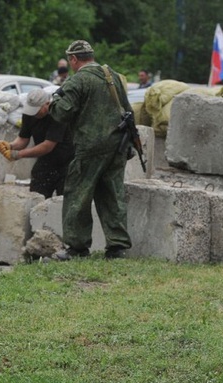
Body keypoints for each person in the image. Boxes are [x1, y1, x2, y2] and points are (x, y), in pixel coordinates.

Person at [48, 40, 132, 261]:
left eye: (70, 59)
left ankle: (76, 247)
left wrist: (54, 100)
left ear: (74, 59)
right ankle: (117, 247)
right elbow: (127, 109)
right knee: (112, 195)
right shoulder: (111, 75)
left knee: (78, 195)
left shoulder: (78, 81)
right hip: (117, 146)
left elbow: (61, 114)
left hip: (90, 147)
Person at [0, 88, 74, 199]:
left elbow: (47, 146)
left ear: (47, 104)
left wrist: (18, 154)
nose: (34, 113)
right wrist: (10, 146)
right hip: (45, 162)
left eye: (37, 110)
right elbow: (23, 139)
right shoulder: (29, 114)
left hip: (67, 163)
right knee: (36, 198)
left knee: (65, 202)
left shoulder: (58, 114)